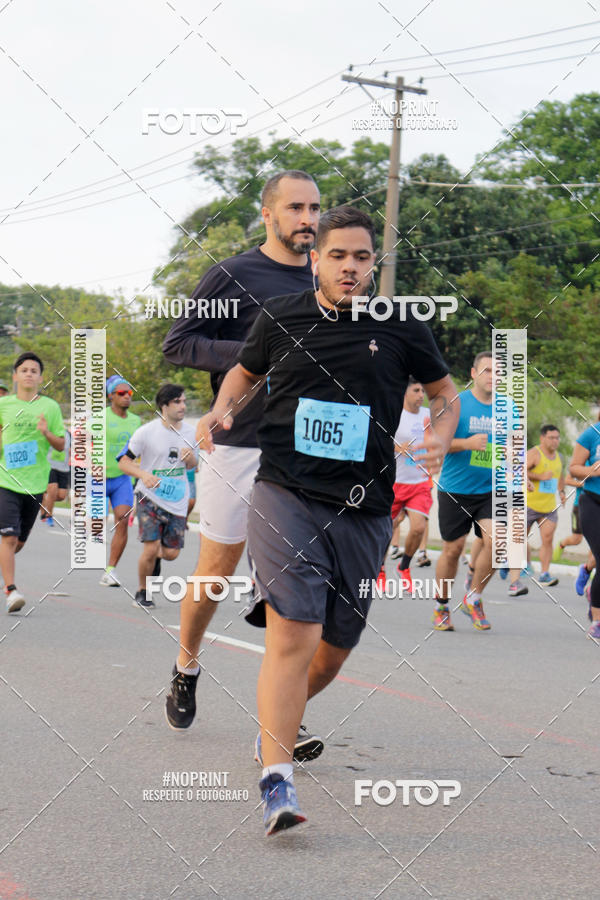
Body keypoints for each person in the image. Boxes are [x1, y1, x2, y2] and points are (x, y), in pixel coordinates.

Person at [196, 206, 458, 835]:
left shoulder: (401, 326)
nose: (349, 267)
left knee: (335, 651)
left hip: (365, 507)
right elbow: (242, 373)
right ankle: (276, 783)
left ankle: (275, 728)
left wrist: (444, 435)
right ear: (316, 258)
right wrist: (220, 412)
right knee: (295, 631)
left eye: (362, 258)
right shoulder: (281, 318)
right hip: (284, 491)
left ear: (375, 265)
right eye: (337, 255)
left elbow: (446, 396)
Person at [162, 170, 322, 750]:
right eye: (296, 208)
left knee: (292, 580)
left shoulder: (331, 275)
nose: (308, 218)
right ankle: (186, 664)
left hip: (305, 448)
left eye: (315, 208)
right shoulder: (232, 274)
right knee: (216, 569)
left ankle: (284, 719)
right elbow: (178, 343)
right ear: (269, 214)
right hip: (237, 440)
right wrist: (258, 353)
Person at [432, 351, 497, 632]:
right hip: (455, 489)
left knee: (499, 541)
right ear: (473, 374)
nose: (492, 377)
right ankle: (442, 606)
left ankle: (474, 597)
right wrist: (467, 443)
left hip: (490, 490)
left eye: (497, 372)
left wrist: (520, 476)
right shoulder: (457, 404)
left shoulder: (507, 408)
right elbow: (438, 442)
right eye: (487, 371)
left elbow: (513, 447)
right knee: (452, 551)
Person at [118, 384, 197, 608]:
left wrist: (190, 458)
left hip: (177, 499)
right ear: (164, 406)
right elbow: (124, 461)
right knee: (150, 548)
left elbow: (194, 464)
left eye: (184, 401)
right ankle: (143, 592)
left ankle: (155, 560)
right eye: (177, 402)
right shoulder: (147, 432)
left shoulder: (191, 432)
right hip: (149, 496)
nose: (183, 406)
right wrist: (143, 474)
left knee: (171, 553)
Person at [0, 352, 64, 612]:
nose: (29, 373)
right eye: (24, 369)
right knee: (9, 538)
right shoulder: (4, 405)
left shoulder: (50, 407)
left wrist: (46, 432)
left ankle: (7, 568)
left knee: (19, 542)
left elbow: (61, 444)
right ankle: (11, 591)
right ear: (15, 376)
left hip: (35, 484)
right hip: (5, 480)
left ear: (40, 377)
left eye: (34, 370)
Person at [390, 378, 434, 592]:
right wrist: (397, 448)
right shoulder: (393, 412)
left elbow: (438, 441)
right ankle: (378, 569)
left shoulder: (428, 415)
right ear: (405, 392)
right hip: (395, 482)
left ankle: (404, 566)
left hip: (419, 482)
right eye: (416, 390)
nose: (421, 394)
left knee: (418, 527)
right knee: (385, 529)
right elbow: (377, 438)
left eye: (422, 390)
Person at [99, 376, 141, 587]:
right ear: (111, 396)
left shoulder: (135, 421)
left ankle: (110, 570)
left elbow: (139, 450)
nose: (126, 397)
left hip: (122, 479)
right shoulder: (98, 418)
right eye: (121, 393)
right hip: (97, 477)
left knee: (122, 521)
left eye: (129, 393)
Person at [568, 421, 600, 638]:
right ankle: (597, 621)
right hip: (592, 502)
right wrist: (592, 470)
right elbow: (573, 468)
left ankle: (587, 573)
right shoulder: (592, 434)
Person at [526, 424, 565, 587]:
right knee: (519, 539)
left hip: (548, 506)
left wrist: (562, 492)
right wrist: (540, 476)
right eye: (551, 438)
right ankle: (515, 563)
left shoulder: (560, 457)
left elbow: (560, 475)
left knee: (547, 539)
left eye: (557, 438)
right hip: (528, 503)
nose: (555, 441)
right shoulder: (535, 453)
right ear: (542, 438)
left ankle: (544, 573)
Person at [40, 428, 71, 526]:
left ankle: (43, 497)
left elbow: (71, 448)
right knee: (52, 490)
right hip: (50, 466)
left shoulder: (68, 434)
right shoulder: (49, 432)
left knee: (61, 496)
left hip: (63, 468)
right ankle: (49, 516)